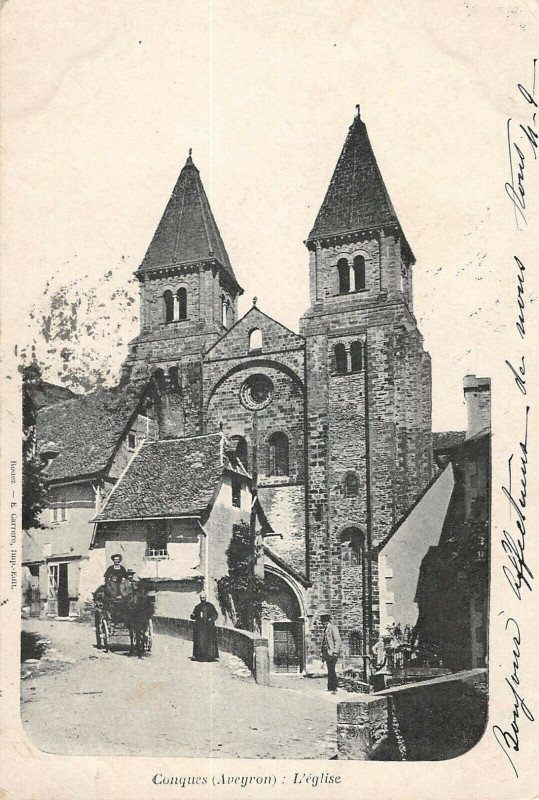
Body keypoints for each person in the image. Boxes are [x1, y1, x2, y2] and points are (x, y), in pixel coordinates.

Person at [190, 592, 219, 662]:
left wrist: (211, 619)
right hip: (200, 628)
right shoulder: (197, 607)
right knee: (200, 642)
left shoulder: (210, 606)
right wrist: (193, 616)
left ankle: (210, 657)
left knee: (210, 642)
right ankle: (199, 657)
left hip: (209, 627)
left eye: (204, 598)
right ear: (200, 598)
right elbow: (193, 616)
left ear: (206, 598)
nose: (203, 599)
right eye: (202, 598)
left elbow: (215, 614)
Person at [320, 612, 342, 693]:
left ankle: (333, 687)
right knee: (330, 670)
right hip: (327, 653)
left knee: (331, 670)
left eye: (323, 622)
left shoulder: (333, 628)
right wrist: (322, 653)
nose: (322, 624)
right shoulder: (326, 629)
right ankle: (331, 687)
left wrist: (335, 651)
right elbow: (324, 642)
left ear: (327, 622)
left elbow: (337, 640)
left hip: (332, 653)